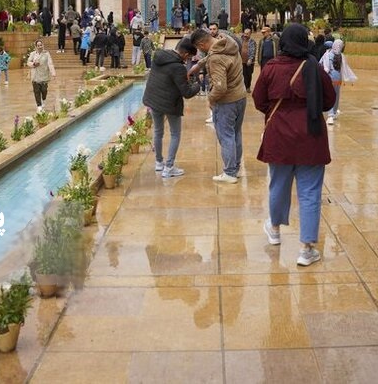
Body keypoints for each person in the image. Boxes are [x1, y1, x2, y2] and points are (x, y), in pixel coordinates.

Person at [252, 23, 335, 266]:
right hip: (311, 135)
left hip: (279, 135)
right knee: (310, 193)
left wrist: (277, 112)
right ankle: (306, 249)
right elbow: (328, 101)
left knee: (278, 185)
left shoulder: (271, 68)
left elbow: (258, 99)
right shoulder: (314, 67)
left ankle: (275, 230)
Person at [189, 28, 247, 183]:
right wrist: (199, 65)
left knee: (226, 136)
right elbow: (212, 55)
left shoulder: (215, 58)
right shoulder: (227, 43)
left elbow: (220, 87)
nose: (200, 51)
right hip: (240, 96)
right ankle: (235, 168)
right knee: (236, 134)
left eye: (199, 48)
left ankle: (229, 173)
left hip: (227, 102)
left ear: (201, 44)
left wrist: (211, 99)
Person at [142, 38, 201, 178]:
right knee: (175, 134)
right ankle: (169, 167)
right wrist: (198, 84)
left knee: (158, 131)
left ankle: (159, 163)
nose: (189, 60)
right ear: (186, 54)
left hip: (153, 100)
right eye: (190, 58)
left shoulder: (159, 55)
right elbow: (186, 93)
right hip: (169, 103)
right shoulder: (178, 67)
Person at [320, 38, 357, 125]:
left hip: (329, 79)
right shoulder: (341, 56)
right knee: (336, 96)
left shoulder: (327, 54)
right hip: (338, 80)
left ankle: (330, 115)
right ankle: (334, 111)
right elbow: (345, 68)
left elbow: (321, 64)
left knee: (329, 95)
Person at [27, 39, 57, 112]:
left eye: (41, 45)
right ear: (36, 46)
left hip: (44, 75)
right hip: (35, 75)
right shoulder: (33, 54)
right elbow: (28, 62)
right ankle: (39, 105)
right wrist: (33, 64)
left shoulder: (46, 54)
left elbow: (50, 63)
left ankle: (43, 100)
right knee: (36, 91)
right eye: (38, 45)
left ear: (42, 45)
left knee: (44, 90)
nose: (40, 47)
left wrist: (53, 73)